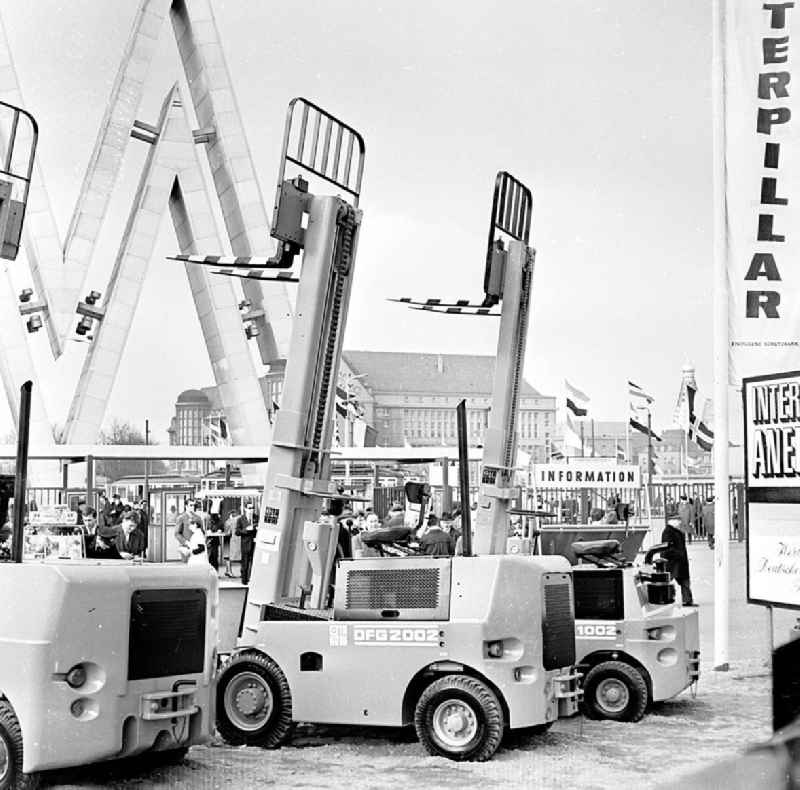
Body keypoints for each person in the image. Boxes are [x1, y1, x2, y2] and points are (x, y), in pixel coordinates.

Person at [661, 516, 696, 606]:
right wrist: (678, 554)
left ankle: (687, 600)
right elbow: (666, 548)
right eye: (677, 521)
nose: (679, 522)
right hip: (672, 562)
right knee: (667, 580)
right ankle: (663, 599)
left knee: (685, 581)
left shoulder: (677, 531)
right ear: (671, 521)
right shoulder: (668, 532)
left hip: (680, 562)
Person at [235, 503, 258, 584]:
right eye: (249, 508)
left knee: (254, 562)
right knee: (245, 562)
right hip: (245, 544)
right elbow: (237, 532)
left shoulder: (256, 517)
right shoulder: (241, 519)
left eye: (252, 508)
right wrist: (246, 529)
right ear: (245, 509)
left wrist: (255, 527)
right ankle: (244, 580)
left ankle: (252, 579)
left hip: (255, 543)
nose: (251, 510)